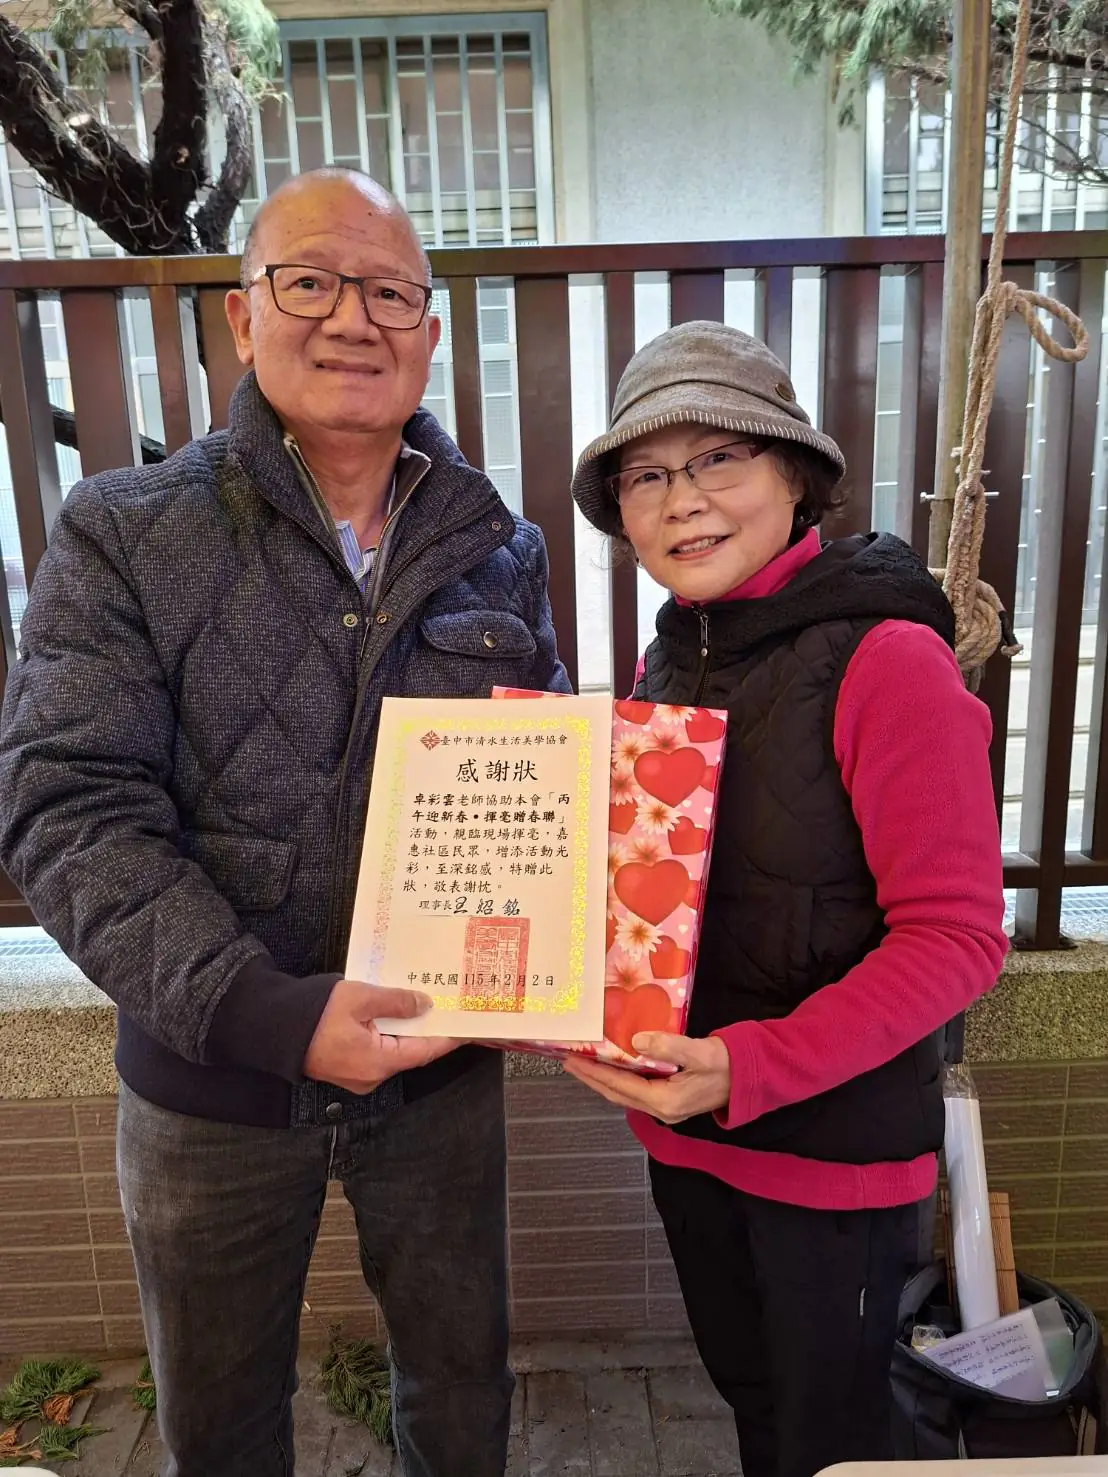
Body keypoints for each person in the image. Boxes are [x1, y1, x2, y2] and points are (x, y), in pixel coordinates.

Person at [0, 168, 570, 1477]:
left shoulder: (501, 548)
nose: (352, 318)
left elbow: (535, 791)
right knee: (219, 1421)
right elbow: (69, 806)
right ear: (242, 317)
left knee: (462, 1395)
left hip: (439, 1078)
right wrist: (267, 1013)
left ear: (430, 333)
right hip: (211, 1077)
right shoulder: (125, 531)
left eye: (389, 293)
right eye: (310, 281)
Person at [563, 321, 1008, 1477]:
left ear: (796, 476)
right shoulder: (676, 655)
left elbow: (957, 939)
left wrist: (746, 1067)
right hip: (689, 1138)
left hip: (835, 1163)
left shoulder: (887, 660)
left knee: (836, 1444)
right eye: (646, 475)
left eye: (719, 457)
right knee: (756, 1411)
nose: (682, 499)